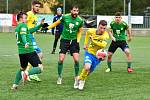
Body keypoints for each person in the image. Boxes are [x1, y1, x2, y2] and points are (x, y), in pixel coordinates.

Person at [46, 5, 83, 88]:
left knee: (77, 60)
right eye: (74, 10)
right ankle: (59, 77)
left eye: (77, 11)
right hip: (64, 41)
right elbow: (56, 23)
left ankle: (76, 76)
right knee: (61, 59)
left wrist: (78, 40)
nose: (75, 12)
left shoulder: (80, 20)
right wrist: (48, 27)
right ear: (71, 11)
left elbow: (80, 31)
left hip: (74, 41)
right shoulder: (65, 17)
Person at [11, 12, 44, 90]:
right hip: (29, 51)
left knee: (22, 68)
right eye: (25, 18)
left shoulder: (17, 27)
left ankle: (14, 85)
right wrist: (26, 42)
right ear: (21, 19)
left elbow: (30, 31)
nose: (26, 19)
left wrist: (40, 25)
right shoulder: (23, 25)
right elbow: (23, 35)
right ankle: (26, 74)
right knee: (40, 68)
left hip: (21, 52)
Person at [76, 20, 109, 90]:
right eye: (101, 28)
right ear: (98, 26)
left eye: (104, 28)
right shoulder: (91, 31)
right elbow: (87, 34)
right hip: (90, 53)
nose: (102, 30)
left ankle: (79, 79)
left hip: (98, 56)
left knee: (89, 72)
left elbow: (103, 44)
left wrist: (93, 41)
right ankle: (82, 81)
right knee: (87, 67)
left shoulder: (105, 35)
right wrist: (85, 44)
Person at [26, 0, 43, 81]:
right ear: (32, 6)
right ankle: (29, 73)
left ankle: (30, 73)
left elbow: (32, 27)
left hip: (31, 37)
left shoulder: (35, 16)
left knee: (37, 55)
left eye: (39, 7)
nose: (37, 8)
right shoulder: (29, 14)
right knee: (39, 54)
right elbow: (22, 23)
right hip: (28, 37)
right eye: (36, 6)